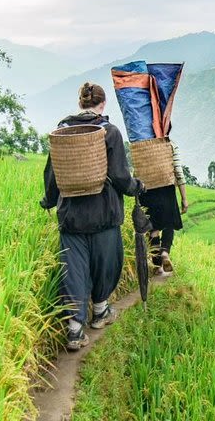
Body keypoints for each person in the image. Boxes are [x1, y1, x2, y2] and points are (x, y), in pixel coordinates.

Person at [40, 82, 145, 350]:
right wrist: (137, 187)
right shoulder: (109, 132)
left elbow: (53, 175)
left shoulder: (62, 132)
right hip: (103, 215)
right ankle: (100, 312)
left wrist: (49, 201)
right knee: (106, 265)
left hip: (71, 217)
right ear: (103, 104)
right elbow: (121, 177)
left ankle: (74, 330)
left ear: (80, 103)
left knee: (73, 271)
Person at [140, 136, 188, 275]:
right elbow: (178, 171)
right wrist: (184, 198)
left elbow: (137, 171)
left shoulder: (142, 146)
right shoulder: (170, 144)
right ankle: (165, 252)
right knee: (168, 224)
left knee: (153, 229)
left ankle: (157, 266)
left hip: (147, 189)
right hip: (166, 189)